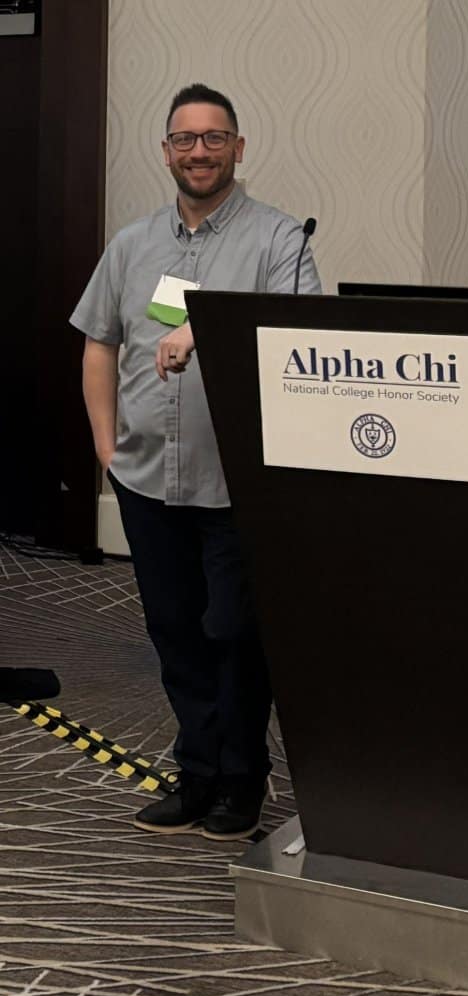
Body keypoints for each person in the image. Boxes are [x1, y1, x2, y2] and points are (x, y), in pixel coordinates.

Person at [71, 83, 321, 840]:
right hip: (149, 478)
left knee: (234, 634)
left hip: (234, 485)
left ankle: (243, 778)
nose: (200, 151)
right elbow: (100, 343)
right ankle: (198, 773)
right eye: (186, 139)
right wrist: (106, 447)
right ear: (167, 152)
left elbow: (298, 341)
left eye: (215, 138)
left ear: (238, 148)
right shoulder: (133, 244)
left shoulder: (281, 241)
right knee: (175, 632)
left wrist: (208, 330)